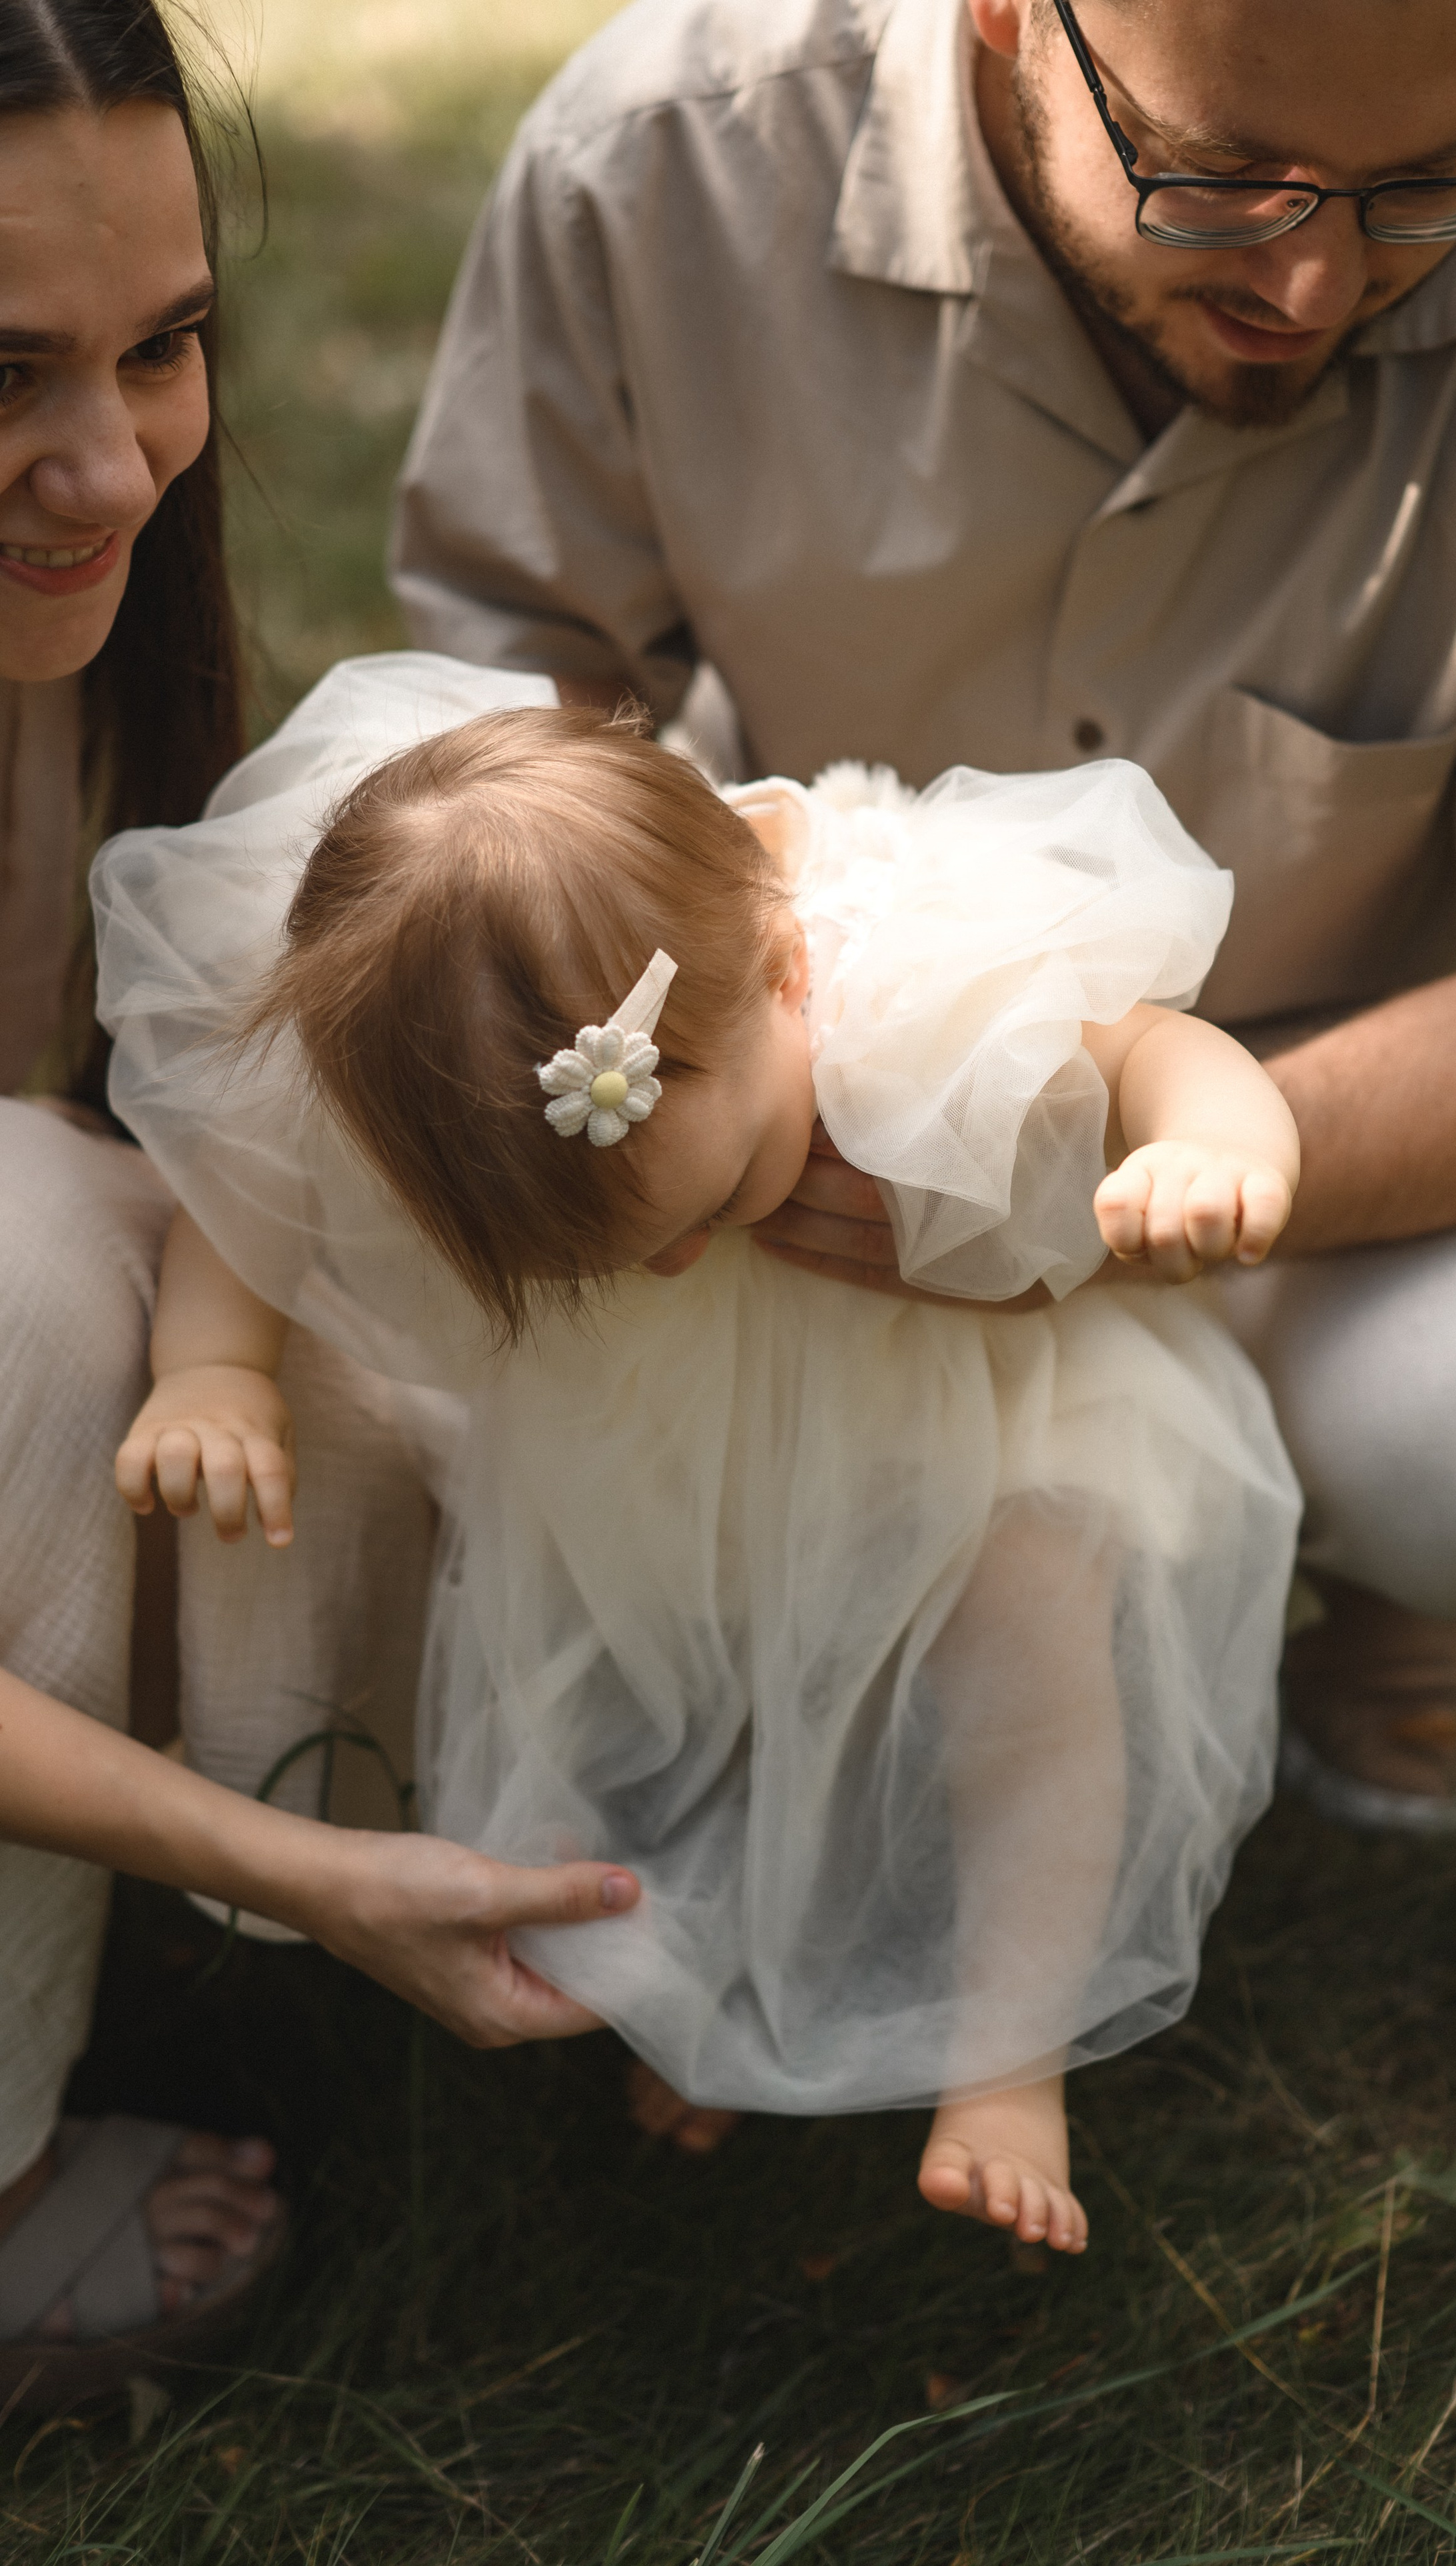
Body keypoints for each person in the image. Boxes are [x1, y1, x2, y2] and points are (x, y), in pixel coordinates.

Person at [389, 0, 1456, 1834]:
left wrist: (1092, 1177)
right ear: (1010, 17)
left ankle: (1358, 1572)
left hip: (1334, 1120)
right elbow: (484, 746)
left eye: (1427, 190)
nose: (1318, 283)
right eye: (1227, 179)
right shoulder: (653, 169)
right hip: (814, 1098)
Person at [94, 652, 1303, 2253]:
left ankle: (1010, 2060)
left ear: (789, 971)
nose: (674, 1270)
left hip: (975, 1424)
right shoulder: (447, 1044)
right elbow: (253, 1191)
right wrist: (212, 1371)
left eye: (712, 1207)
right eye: (611, 1257)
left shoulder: (904, 957)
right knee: (693, 1697)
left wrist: (1212, 1144)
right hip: (668, 1458)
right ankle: (739, 1982)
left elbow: (1158, 1045)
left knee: (1028, 1674)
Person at [0, 0, 637, 2411]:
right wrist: (307, 1872)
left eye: (162, 346)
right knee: (27, 1267)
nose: (110, 464)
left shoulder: (95, 634)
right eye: (2, 371)